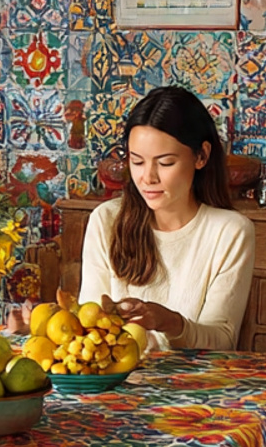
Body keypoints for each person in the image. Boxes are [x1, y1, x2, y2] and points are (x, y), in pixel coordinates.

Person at [77, 86, 255, 351]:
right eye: (137, 162)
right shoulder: (107, 220)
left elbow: (222, 340)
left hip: (196, 387)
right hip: (116, 383)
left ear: (201, 156)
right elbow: (87, 324)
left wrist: (171, 323)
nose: (148, 178)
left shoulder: (229, 232)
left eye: (166, 163)